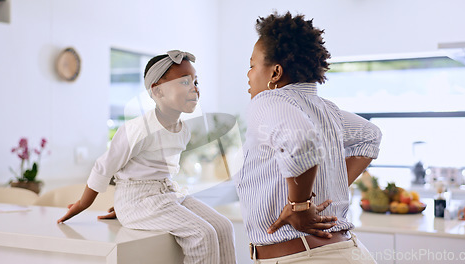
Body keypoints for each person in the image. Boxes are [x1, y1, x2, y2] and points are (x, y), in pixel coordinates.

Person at [57, 50, 237, 264]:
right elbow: (103, 168)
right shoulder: (138, 129)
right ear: (158, 91)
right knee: (202, 234)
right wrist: (82, 205)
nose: (194, 88)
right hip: (138, 201)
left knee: (224, 226)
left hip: (166, 194)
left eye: (195, 82)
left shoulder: (183, 130)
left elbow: (152, 171)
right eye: (184, 82)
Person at [235, 12, 382, 263]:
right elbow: (370, 136)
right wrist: (321, 192)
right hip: (348, 253)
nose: (248, 74)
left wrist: (300, 207)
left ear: (275, 73)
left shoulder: (267, 100)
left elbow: (301, 141)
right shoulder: (326, 110)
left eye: (252, 65)